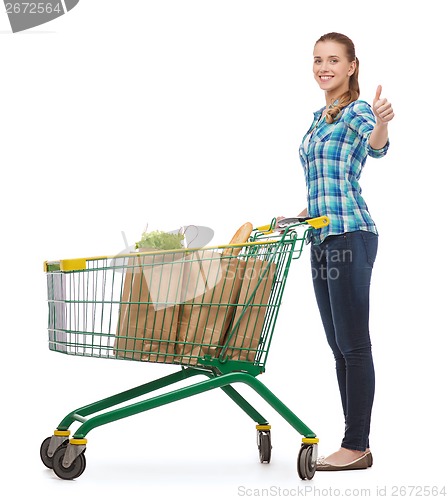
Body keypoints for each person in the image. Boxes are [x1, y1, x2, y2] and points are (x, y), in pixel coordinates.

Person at [284, 32, 394, 471]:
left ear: (352, 67)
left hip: (351, 235)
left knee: (354, 345)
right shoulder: (318, 119)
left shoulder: (357, 111)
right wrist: (302, 214)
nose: (323, 67)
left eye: (333, 60)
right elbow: (325, 183)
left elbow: (377, 147)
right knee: (338, 347)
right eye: (317, 60)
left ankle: (356, 445)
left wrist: (383, 122)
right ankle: (352, 440)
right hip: (321, 237)